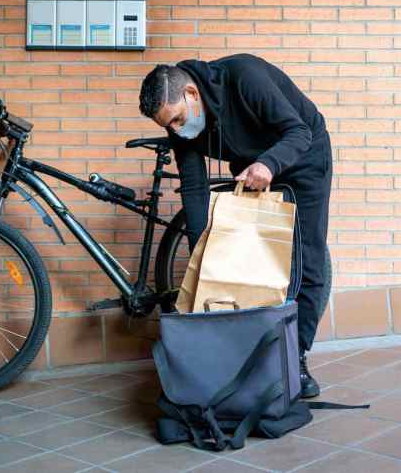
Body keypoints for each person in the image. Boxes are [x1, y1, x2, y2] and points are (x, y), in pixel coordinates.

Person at [138, 53, 332, 399]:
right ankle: (253, 354)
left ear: (191, 94)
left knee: (306, 257)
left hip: (302, 153)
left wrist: (270, 164)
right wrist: (203, 252)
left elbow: (298, 130)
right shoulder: (181, 128)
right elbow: (195, 188)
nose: (177, 130)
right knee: (249, 259)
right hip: (252, 163)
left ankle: (295, 358)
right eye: (168, 126)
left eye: (179, 119)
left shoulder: (245, 77)